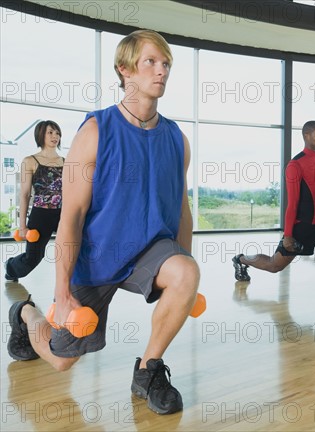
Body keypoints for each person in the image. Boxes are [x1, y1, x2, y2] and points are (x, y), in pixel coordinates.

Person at [7, 30, 200, 415]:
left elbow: (181, 210)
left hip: (150, 250)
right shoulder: (96, 132)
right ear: (124, 70)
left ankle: (148, 371)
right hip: (96, 258)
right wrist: (62, 294)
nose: (161, 71)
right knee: (62, 359)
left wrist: (186, 271)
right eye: (151, 62)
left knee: (186, 272)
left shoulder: (176, 138)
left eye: (166, 64)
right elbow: (72, 216)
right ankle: (24, 314)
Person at [233, 121, 315, 294]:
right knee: (274, 265)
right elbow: (292, 203)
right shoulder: (295, 165)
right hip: (302, 227)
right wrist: (288, 235)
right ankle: (241, 259)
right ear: (306, 136)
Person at [4, 120, 63, 282]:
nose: (54, 136)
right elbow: (24, 194)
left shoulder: (66, 162)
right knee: (33, 259)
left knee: (75, 251)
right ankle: (11, 267)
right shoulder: (29, 161)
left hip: (63, 214)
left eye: (57, 133)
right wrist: (22, 225)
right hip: (40, 215)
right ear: (40, 135)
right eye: (50, 132)